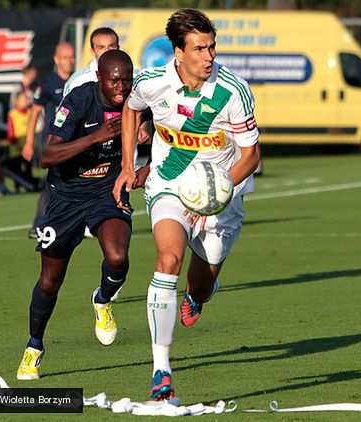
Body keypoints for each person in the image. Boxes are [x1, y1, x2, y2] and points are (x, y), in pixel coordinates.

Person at [113, 9, 260, 400]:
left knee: (202, 278)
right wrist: (129, 164)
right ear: (178, 52)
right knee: (168, 260)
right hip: (169, 182)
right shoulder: (152, 81)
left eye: (212, 47)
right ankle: (161, 369)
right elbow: (131, 107)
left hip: (224, 192)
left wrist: (214, 192)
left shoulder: (233, 90)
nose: (209, 56)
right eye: (200, 48)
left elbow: (251, 157)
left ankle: (198, 294)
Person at [17, 50, 140, 380]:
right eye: (115, 80)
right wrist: (97, 136)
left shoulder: (137, 100)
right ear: (99, 77)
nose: (122, 88)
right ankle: (34, 348)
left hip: (107, 190)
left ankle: (102, 300)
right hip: (65, 196)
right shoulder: (79, 100)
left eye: (127, 80)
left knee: (118, 257)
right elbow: (47, 155)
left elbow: (156, 135)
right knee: (49, 281)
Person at [23, 42, 76, 238]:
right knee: (54, 181)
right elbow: (35, 112)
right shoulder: (47, 83)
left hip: (75, 140)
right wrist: (29, 142)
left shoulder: (79, 80)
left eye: (71, 57)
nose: (69, 61)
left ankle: (75, 222)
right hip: (53, 141)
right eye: (65, 57)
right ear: (56, 60)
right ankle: (39, 224)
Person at [63, 28, 119, 97]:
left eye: (112, 46)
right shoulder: (78, 81)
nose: (107, 51)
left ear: (118, 48)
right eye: (101, 47)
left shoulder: (134, 76)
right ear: (92, 51)